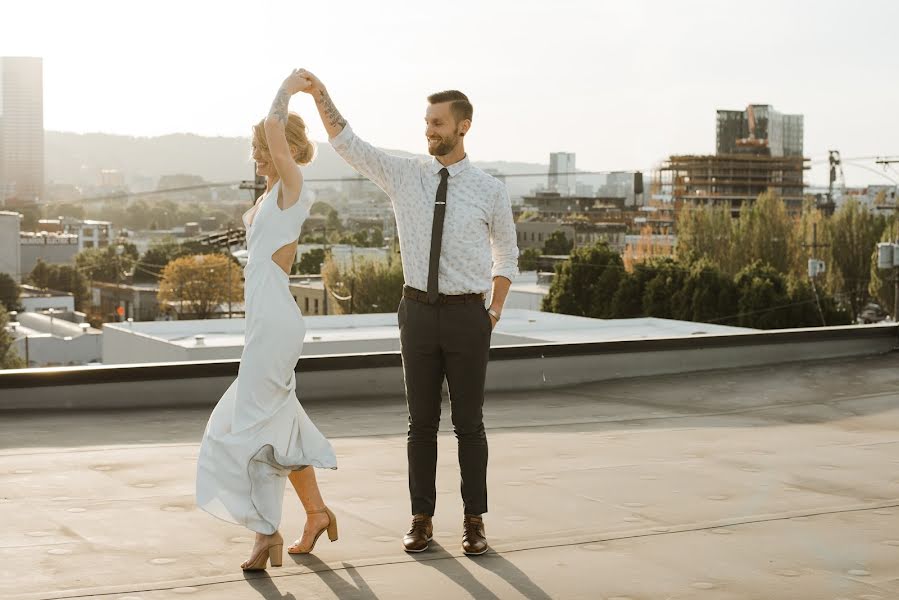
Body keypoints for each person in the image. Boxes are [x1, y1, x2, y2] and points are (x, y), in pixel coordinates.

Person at [296, 70, 519, 556]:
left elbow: (508, 254)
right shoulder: (406, 174)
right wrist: (319, 95)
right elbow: (349, 144)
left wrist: (494, 309)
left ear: (464, 127)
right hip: (416, 313)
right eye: (426, 122)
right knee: (420, 424)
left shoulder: (489, 190)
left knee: (469, 425)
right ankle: (421, 518)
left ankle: (474, 521)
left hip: (468, 318)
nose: (428, 130)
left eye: (438, 122)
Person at [195, 69, 338, 571]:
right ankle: (316, 512)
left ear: (287, 148)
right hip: (263, 322)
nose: (257, 157)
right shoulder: (266, 197)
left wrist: (286, 88)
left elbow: (275, 136)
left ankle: (263, 534)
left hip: (276, 322)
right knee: (277, 422)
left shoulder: (293, 187)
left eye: (262, 149)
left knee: (247, 426)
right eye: (254, 150)